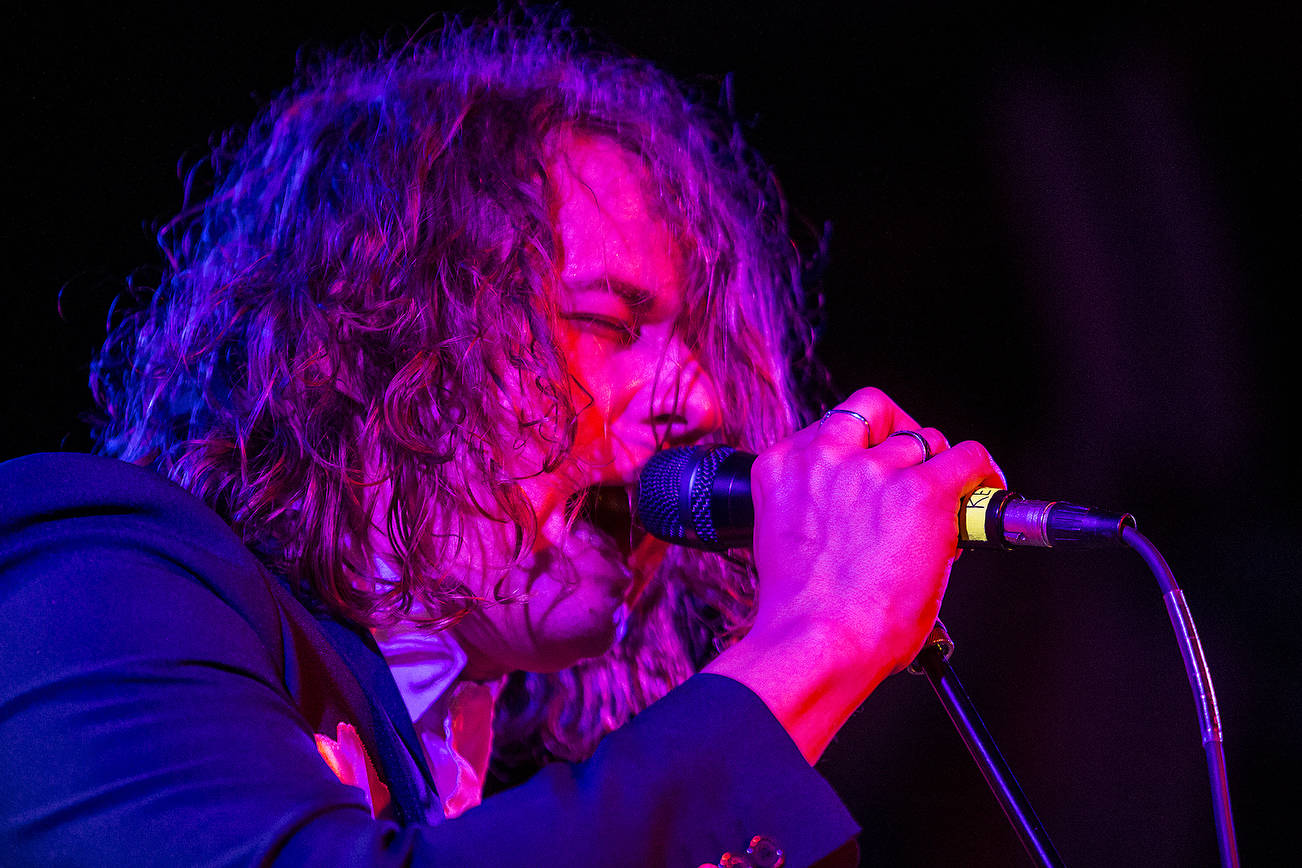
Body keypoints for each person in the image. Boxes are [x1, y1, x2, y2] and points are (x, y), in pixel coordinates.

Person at [0, 9, 1002, 867]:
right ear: (389, 329)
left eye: (699, 351)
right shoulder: (97, 576)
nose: (700, 400)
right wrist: (818, 635)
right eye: (609, 322)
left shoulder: (479, 779)